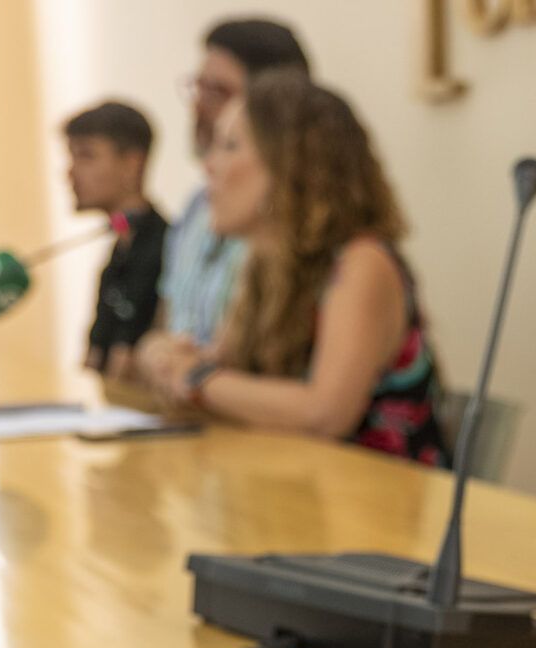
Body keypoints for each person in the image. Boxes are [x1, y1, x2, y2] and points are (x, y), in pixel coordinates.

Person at [141, 72, 448, 466]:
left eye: (230, 146)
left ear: (291, 165)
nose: (209, 167)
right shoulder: (265, 263)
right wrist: (165, 356)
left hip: (381, 510)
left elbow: (325, 413)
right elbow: (223, 372)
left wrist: (195, 378)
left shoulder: (361, 263)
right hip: (293, 494)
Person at [148, 18, 311, 351]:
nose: (199, 105)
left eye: (218, 92)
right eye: (199, 87)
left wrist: (192, 376)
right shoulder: (197, 206)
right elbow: (165, 327)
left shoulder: (307, 228)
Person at [62, 101, 166, 376]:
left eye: (86, 156)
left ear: (132, 164)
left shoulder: (166, 250)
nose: (70, 172)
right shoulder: (118, 251)